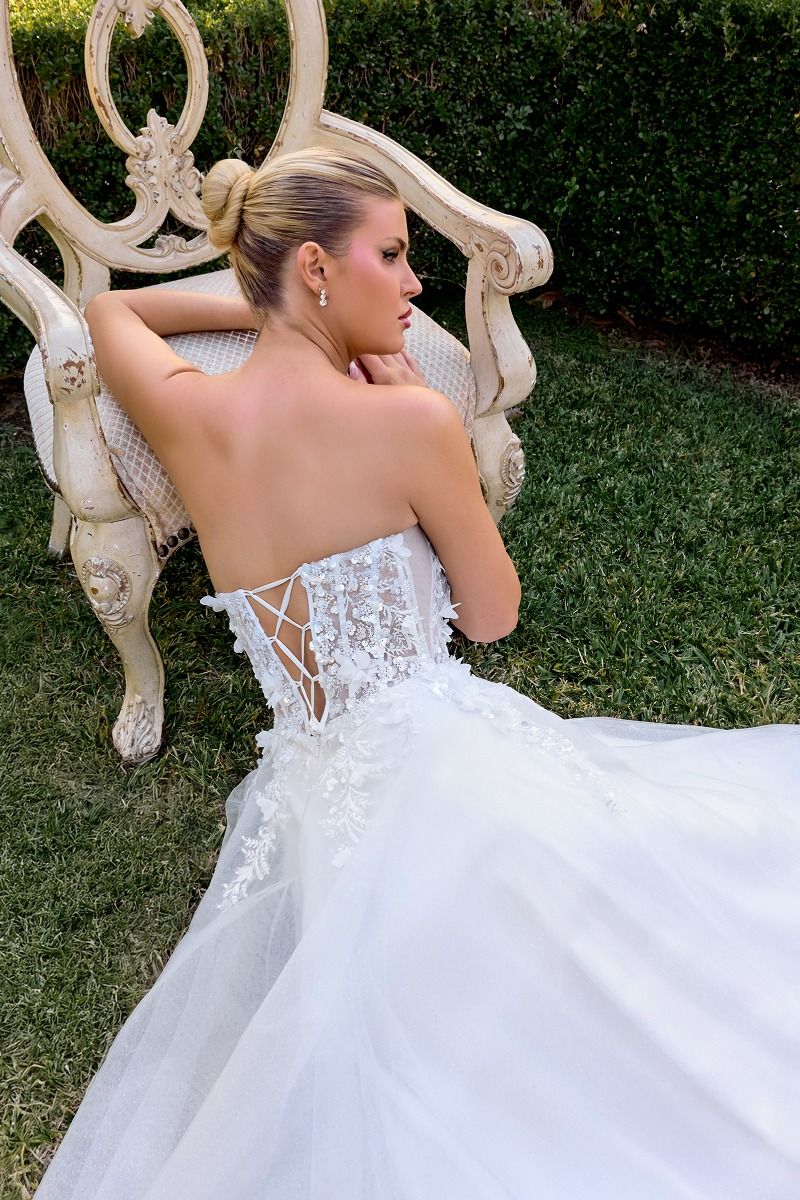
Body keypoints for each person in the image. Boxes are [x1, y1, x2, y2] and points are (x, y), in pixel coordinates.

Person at [36, 147, 799, 1199]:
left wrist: (268, 309)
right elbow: (491, 618)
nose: (413, 282)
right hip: (451, 773)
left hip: (314, 813)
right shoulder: (408, 419)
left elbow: (112, 312)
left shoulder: (189, 416)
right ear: (315, 265)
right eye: (390, 256)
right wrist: (386, 386)